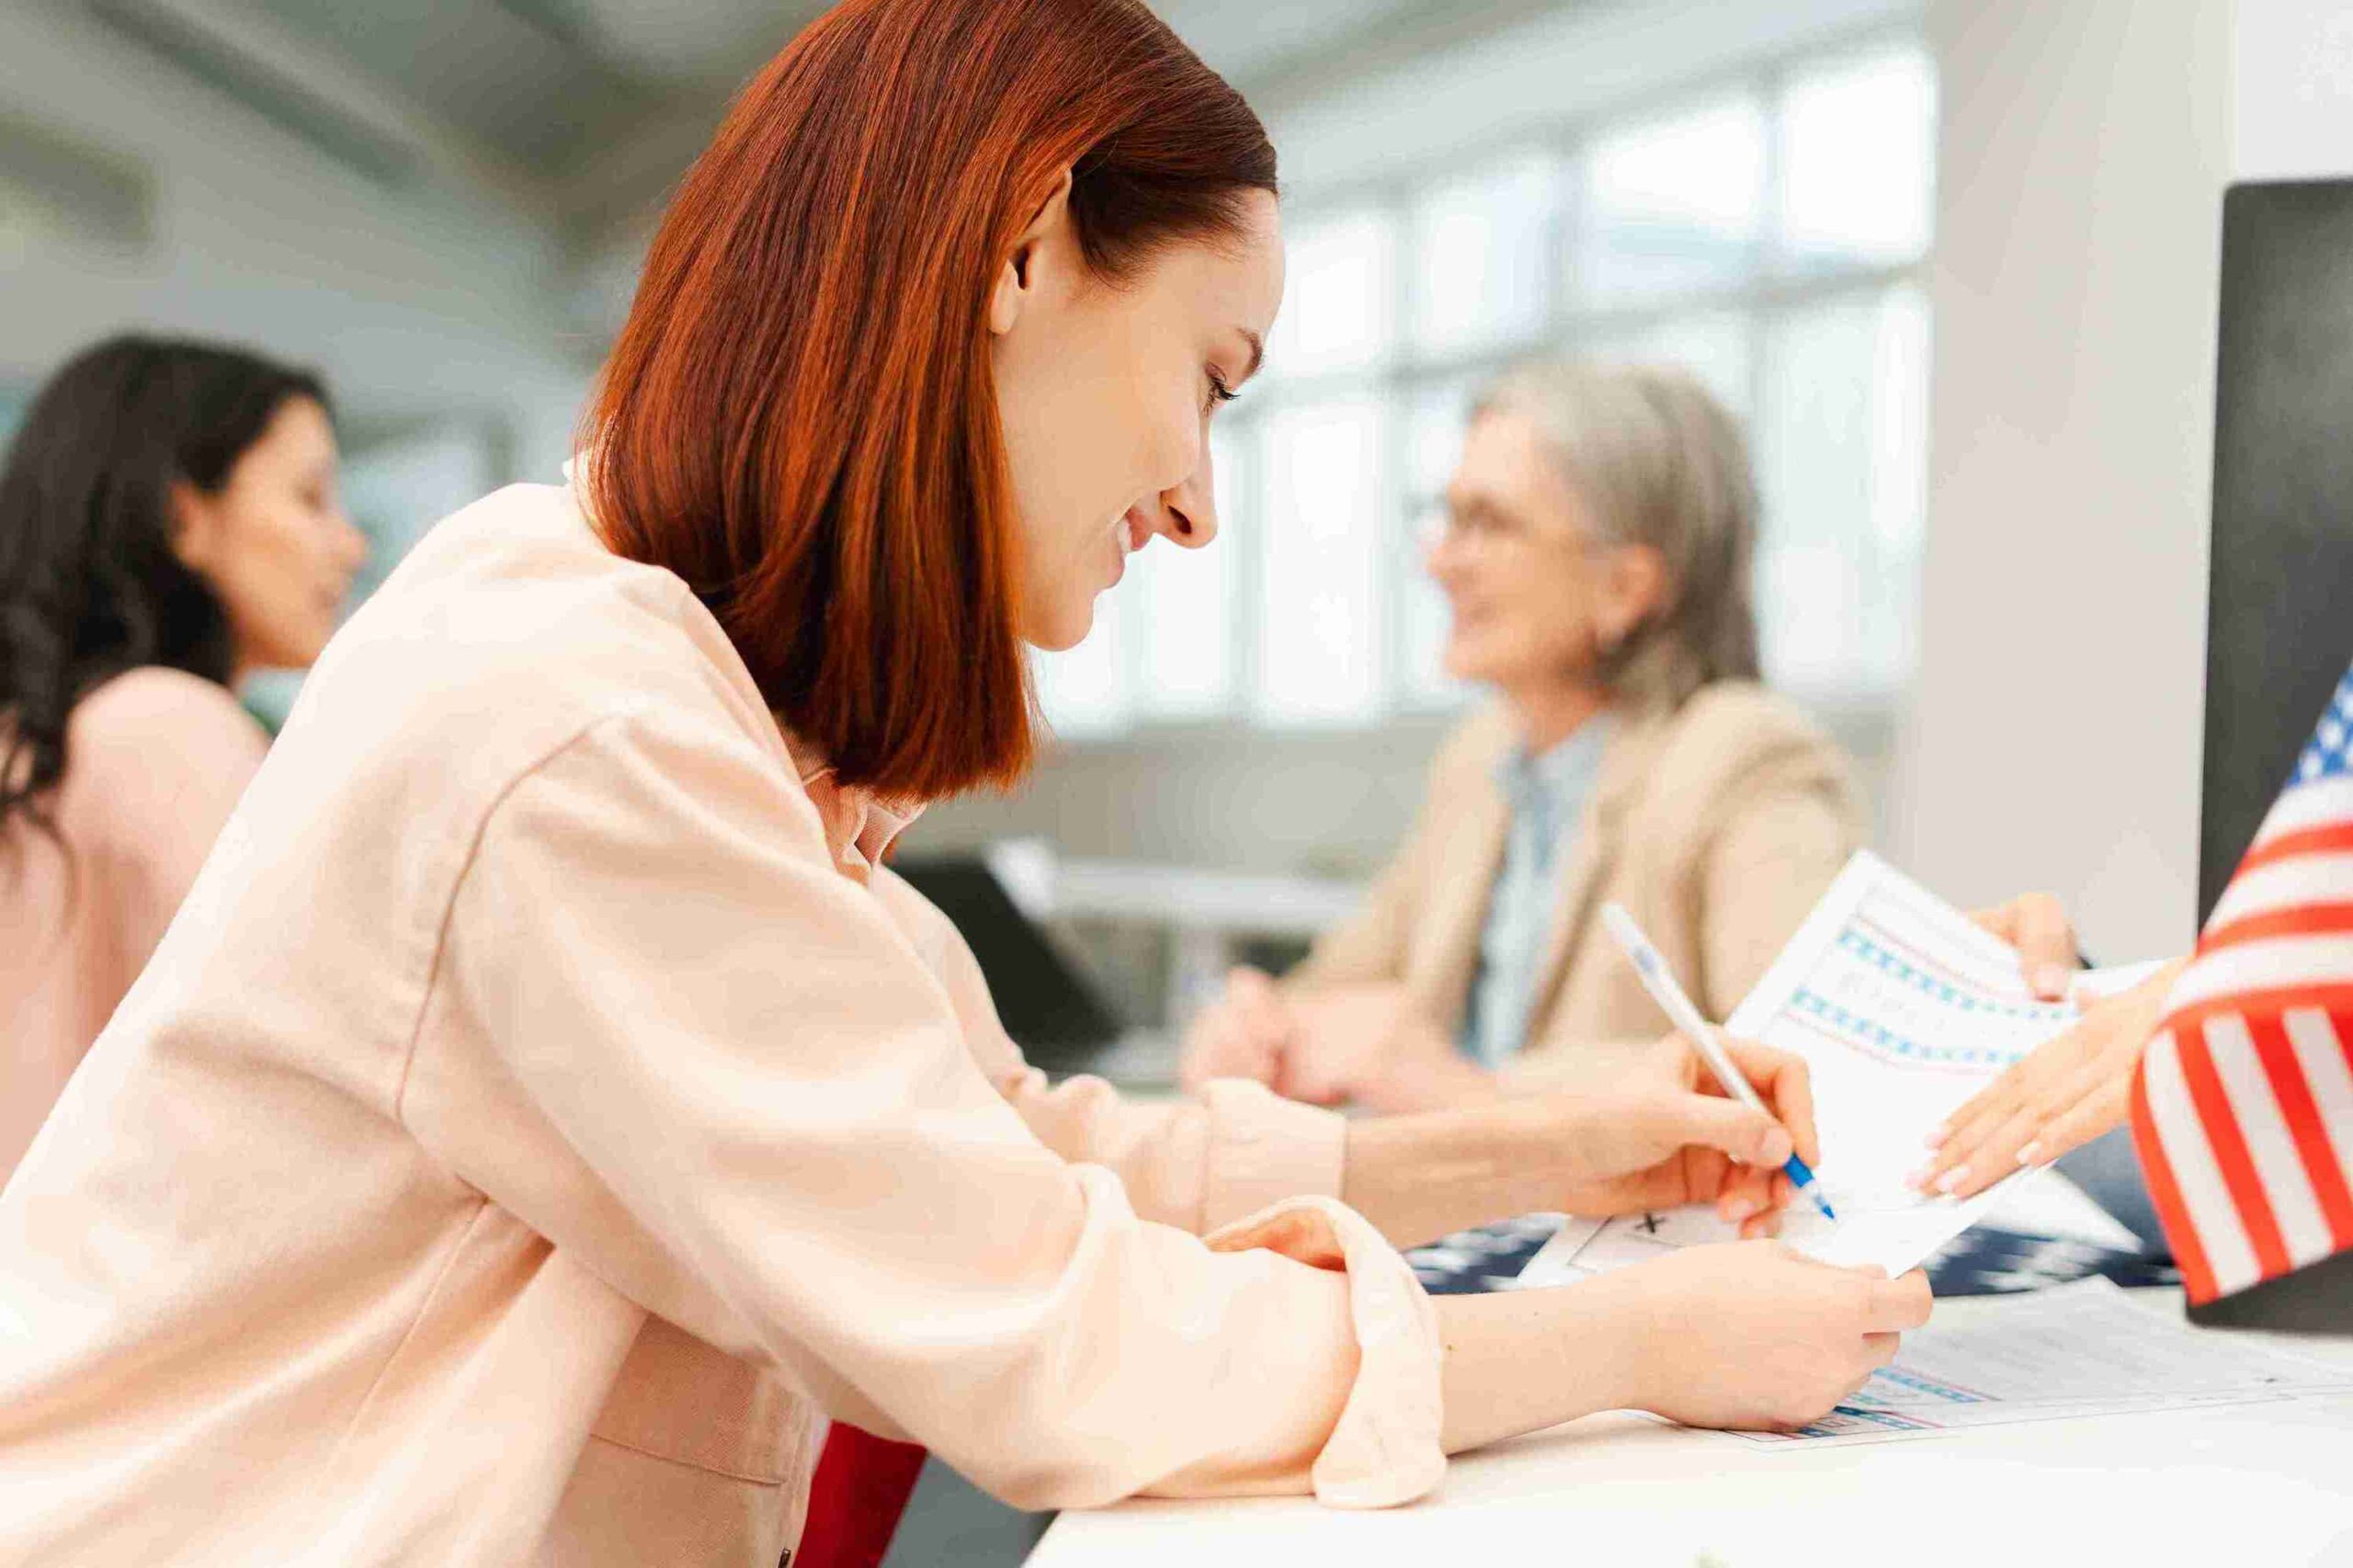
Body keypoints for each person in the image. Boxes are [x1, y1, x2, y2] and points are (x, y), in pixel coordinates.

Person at [0, 6, 1938, 1562]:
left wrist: (1544, 1143)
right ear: (1022, 245)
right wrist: (1633, 1342)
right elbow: (1043, 1325)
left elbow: (1023, 1155)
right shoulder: (580, 728)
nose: (1194, 497)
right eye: (1209, 370)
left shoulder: (686, 703)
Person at [1184, 360, 1866, 1112]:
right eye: (1446, 518)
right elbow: (1345, 989)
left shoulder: (1743, 757)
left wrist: (1468, 1094)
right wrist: (1259, 1027)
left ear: (1625, 588)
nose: (1440, 561)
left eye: (1489, 523)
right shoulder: (1484, 760)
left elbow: (1804, 1071)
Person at [0, 335, 363, 1181]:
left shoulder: (40, 738)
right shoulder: (166, 727)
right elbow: (314, 1064)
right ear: (183, 518)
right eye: (311, 497)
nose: (348, 545)